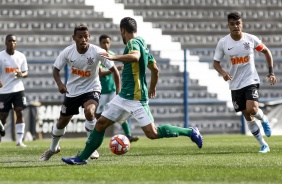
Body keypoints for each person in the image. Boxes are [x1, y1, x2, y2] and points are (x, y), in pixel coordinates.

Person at [62, 17, 203, 165]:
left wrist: (114, 57)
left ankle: (190, 132)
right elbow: (155, 69)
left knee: (152, 133)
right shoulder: (142, 42)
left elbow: (135, 57)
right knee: (101, 123)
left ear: (123, 30)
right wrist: (153, 86)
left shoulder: (133, 43)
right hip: (123, 96)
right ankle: (81, 158)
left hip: (136, 97)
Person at [39, 24, 120, 161]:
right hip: (72, 91)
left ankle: (92, 148)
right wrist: (60, 84)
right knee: (61, 122)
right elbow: (55, 69)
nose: (83, 39)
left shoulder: (97, 51)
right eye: (80, 37)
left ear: (89, 37)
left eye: (86, 36)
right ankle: (53, 148)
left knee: (90, 112)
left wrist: (118, 92)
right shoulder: (68, 52)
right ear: (74, 38)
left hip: (92, 88)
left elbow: (114, 70)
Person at [213, 12, 277, 153]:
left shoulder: (250, 39)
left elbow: (266, 52)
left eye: (238, 23)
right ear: (228, 25)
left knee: (252, 109)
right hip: (235, 84)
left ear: (241, 24)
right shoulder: (223, 43)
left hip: (251, 80)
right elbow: (216, 62)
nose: (236, 26)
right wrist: (223, 73)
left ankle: (264, 118)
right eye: (232, 24)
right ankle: (263, 145)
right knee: (247, 116)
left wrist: (271, 72)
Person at [97, 34, 139, 142]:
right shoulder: (98, 55)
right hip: (101, 91)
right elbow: (100, 73)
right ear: (100, 43)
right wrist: (115, 69)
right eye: (103, 43)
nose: (106, 45)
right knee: (97, 114)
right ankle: (96, 134)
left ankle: (128, 135)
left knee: (119, 111)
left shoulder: (112, 54)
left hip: (112, 90)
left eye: (108, 42)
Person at [0, 34, 28, 147]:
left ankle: (19, 140)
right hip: (4, 91)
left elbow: (26, 72)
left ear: (16, 43)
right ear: (5, 42)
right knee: (3, 116)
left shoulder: (21, 56)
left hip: (18, 89)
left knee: (20, 112)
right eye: (10, 41)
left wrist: (22, 74)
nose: (12, 43)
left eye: (14, 41)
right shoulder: (1, 56)